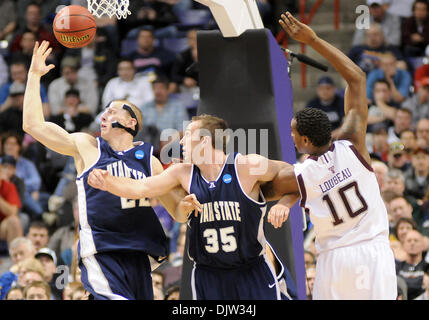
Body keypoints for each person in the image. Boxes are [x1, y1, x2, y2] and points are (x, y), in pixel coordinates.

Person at [23, 40, 197, 300]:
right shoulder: (87, 146)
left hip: (138, 255)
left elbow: (177, 213)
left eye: (113, 110)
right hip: (102, 250)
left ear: (131, 121)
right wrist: (34, 76)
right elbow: (33, 125)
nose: (104, 114)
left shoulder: (148, 159)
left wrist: (187, 205)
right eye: (104, 110)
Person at [261, 12, 397, 299]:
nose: (291, 136)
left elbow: (259, 187)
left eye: (293, 133)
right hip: (374, 253)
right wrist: (312, 40)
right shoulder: (353, 141)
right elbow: (357, 78)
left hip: (334, 261)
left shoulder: (298, 175)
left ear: (305, 141)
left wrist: (286, 199)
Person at [395, 230, 427, 299]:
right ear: (403, 245)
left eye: (416, 241)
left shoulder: (427, 267)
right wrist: (421, 281)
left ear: (423, 245)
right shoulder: (397, 267)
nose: (412, 243)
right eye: (409, 241)